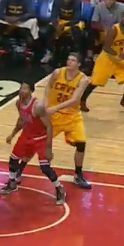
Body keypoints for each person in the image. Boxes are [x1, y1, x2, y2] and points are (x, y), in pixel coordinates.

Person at [0, 82, 65, 204]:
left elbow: (49, 127)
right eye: (21, 88)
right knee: (13, 160)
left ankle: (59, 188)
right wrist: (12, 134)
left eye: (24, 88)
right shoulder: (18, 103)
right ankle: (12, 183)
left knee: (45, 167)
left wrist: (48, 148)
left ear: (31, 91)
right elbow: (21, 120)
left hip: (40, 138)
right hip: (26, 135)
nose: (21, 90)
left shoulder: (38, 106)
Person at [44, 54, 92, 189]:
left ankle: (78, 175)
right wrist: (46, 102)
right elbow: (48, 86)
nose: (69, 62)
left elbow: (74, 100)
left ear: (79, 64)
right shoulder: (57, 72)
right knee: (36, 141)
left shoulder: (83, 79)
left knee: (81, 144)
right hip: (54, 115)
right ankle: (17, 171)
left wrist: (55, 107)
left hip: (72, 116)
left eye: (73, 60)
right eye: (68, 59)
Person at [80, 9, 124, 114]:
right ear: (120, 17)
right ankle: (82, 100)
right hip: (106, 58)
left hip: (119, 59)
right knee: (95, 82)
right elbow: (106, 47)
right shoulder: (114, 29)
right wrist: (118, 54)